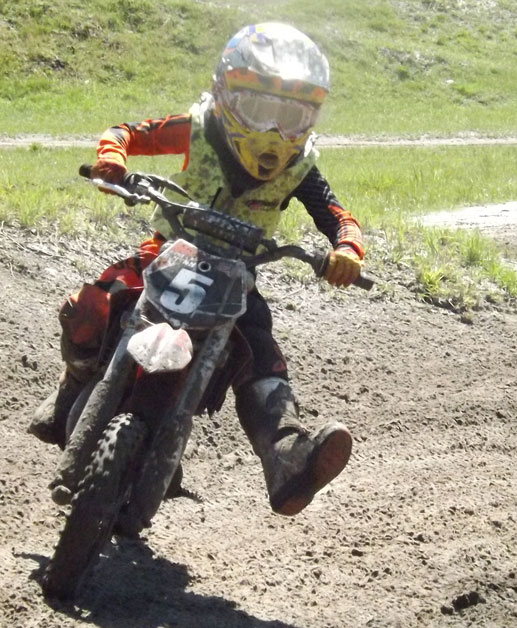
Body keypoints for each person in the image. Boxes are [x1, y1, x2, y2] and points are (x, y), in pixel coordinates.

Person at [29, 22, 365, 517]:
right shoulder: (197, 127)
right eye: (260, 111)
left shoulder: (301, 167)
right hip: (164, 251)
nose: (274, 133)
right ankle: (70, 392)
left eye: (291, 117)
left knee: (259, 353)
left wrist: (347, 251)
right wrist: (112, 160)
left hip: (236, 277)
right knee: (91, 305)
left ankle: (288, 457)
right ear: (226, 94)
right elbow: (125, 132)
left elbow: (337, 215)